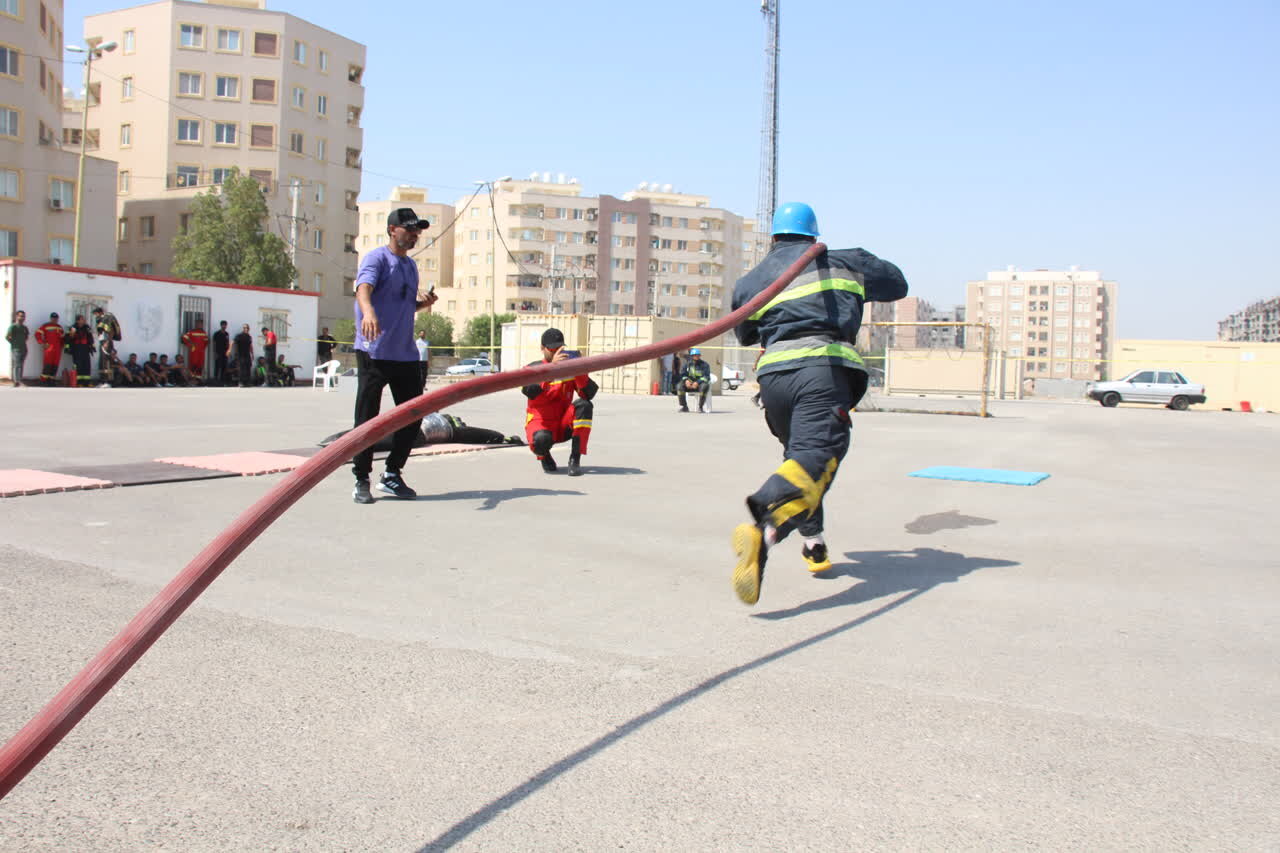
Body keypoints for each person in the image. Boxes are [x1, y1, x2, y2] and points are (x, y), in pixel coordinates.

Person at [728, 201, 908, 605]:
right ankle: (764, 521)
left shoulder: (750, 280)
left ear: (773, 236)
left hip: (773, 379)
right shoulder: (846, 262)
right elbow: (897, 285)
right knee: (816, 456)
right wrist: (854, 264)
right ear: (813, 234)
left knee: (803, 460)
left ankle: (813, 543)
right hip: (821, 370)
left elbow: (743, 335)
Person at [350, 207, 438, 504]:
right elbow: (363, 289)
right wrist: (369, 312)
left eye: (417, 232)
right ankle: (362, 478)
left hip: (405, 354)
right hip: (374, 351)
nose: (414, 236)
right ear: (392, 229)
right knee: (368, 419)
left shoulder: (410, 267)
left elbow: (403, 308)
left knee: (413, 416)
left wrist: (423, 304)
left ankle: (391, 474)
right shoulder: (377, 258)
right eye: (409, 230)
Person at [521, 327, 597, 477]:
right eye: (552, 349)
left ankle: (575, 458)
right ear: (542, 348)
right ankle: (544, 456)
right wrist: (551, 369)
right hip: (540, 424)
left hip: (563, 424)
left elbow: (588, 394)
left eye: (560, 349)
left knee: (585, 405)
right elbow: (530, 391)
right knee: (541, 440)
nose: (557, 353)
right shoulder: (531, 368)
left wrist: (580, 370)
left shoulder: (569, 369)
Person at [92, 306, 121, 388]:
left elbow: (110, 331)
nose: (95, 316)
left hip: (107, 342)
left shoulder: (107, 318)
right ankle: (102, 381)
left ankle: (108, 382)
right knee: (101, 362)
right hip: (102, 342)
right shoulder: (100, 320)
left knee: (107, 362)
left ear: (100, 312)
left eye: (96, 314)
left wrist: (108, 342)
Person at [676, 348, 712, 413]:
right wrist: (686, 380)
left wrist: (697, 382)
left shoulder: (705, 365)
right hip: (689, 385)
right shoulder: (687, 364)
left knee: (705, 386)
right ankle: (684, 407)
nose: (696, 356)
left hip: (699, 386)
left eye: (698, 355)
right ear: (692, 356)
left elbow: (707, 377)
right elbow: (682, 374)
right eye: (695, 355)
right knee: (679, 386)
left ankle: (700, 407)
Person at [65, 314, 96, 386]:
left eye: (84, 319)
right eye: (82, 319)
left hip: (85, 348)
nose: (84, 320)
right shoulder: (73, 328)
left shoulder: (87, 327)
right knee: (78, 365)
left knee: (87, 364)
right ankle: (79, 382)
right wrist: (71, 334)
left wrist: (92, 346)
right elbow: (68, 339)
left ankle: (87, 382)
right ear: (77, 321)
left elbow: (90, 338)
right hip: (77, 348)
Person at [34, 312, 64, 385]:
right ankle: (43, 381)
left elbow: (62, 338)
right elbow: (37, 334)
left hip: (58, 349)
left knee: (55, 365)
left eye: (56, 318)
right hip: (49, 348)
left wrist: (62, 346)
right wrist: (42, 342)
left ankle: (52, 380)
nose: (55, 319)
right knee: (47, 364)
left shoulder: (59, 327)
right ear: (51, 318)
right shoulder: (46, 326)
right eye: (53, 318)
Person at [6, 310, 29, 387]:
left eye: (23, 316)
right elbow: (7, 337)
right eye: (20, 316)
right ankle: (17, 381)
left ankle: (19, 380)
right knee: (17, 365)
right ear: (17, 316)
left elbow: (26, 337)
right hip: (16, 349)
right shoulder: (13, 326)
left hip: (24, 349)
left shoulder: (24, 327)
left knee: (21, 365)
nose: (22, 318)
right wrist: (13, 343)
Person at [212, 321, 230, 386]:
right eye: (223, 325)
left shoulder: (226, 334)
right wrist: (214, 352)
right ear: (221, 325)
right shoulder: (216, 334)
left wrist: (228, 351)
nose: (224, 326)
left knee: (224, 367)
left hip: (225, 353)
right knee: (217, 366)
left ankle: (222, 381)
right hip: (218, 352)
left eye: (225, 325)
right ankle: (216, 380)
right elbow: (214, 344)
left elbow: (228, 343)